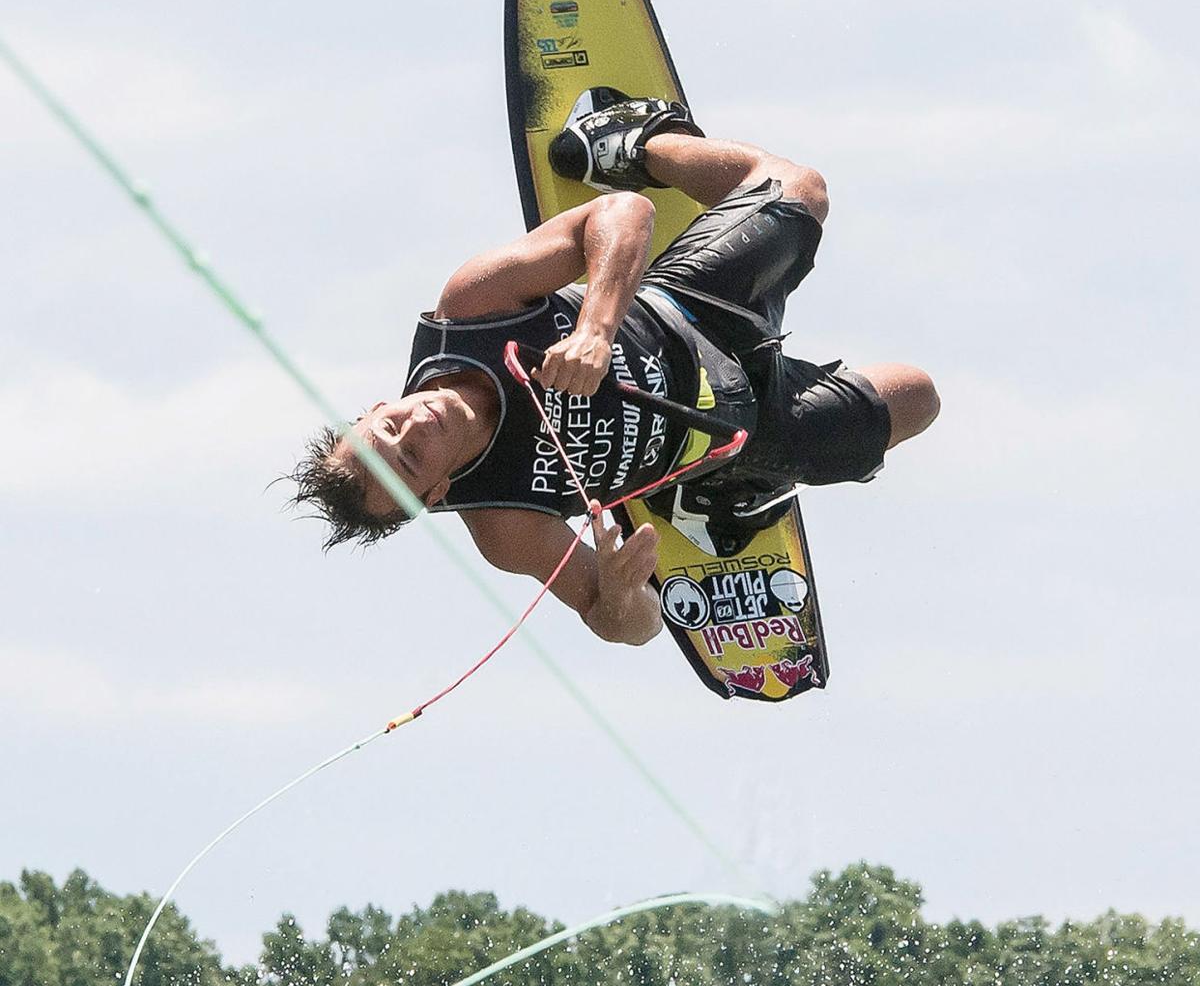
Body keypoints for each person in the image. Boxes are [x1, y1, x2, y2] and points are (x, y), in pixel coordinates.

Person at [289, 93, 939, 646]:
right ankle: (708, 493)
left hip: (689, 308)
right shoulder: (504, 524)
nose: (410, 430)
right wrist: (619, 594)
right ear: (433, 494)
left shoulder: (469, 313)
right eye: (407, 461)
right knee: (918, 400)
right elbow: (633, 628)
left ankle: (636, 139)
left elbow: (626, 214)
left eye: (386, 431)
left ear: (372, 410)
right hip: (727, 431)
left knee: (802, 189)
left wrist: (595, 330)